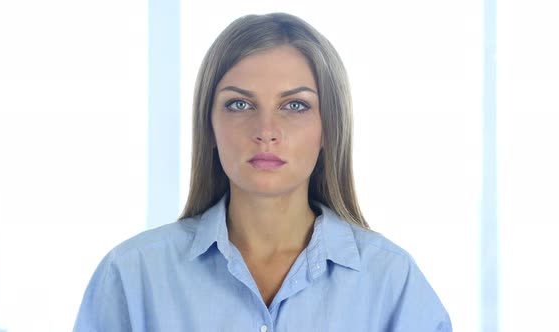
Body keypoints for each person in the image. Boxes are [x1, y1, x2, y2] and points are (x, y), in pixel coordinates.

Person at [73, 12, 451, 332]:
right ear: (210, 127)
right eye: (239, 104)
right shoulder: (132, 275)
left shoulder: (392, 282)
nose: (266, 130)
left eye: (295, 105)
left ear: (329, 128)